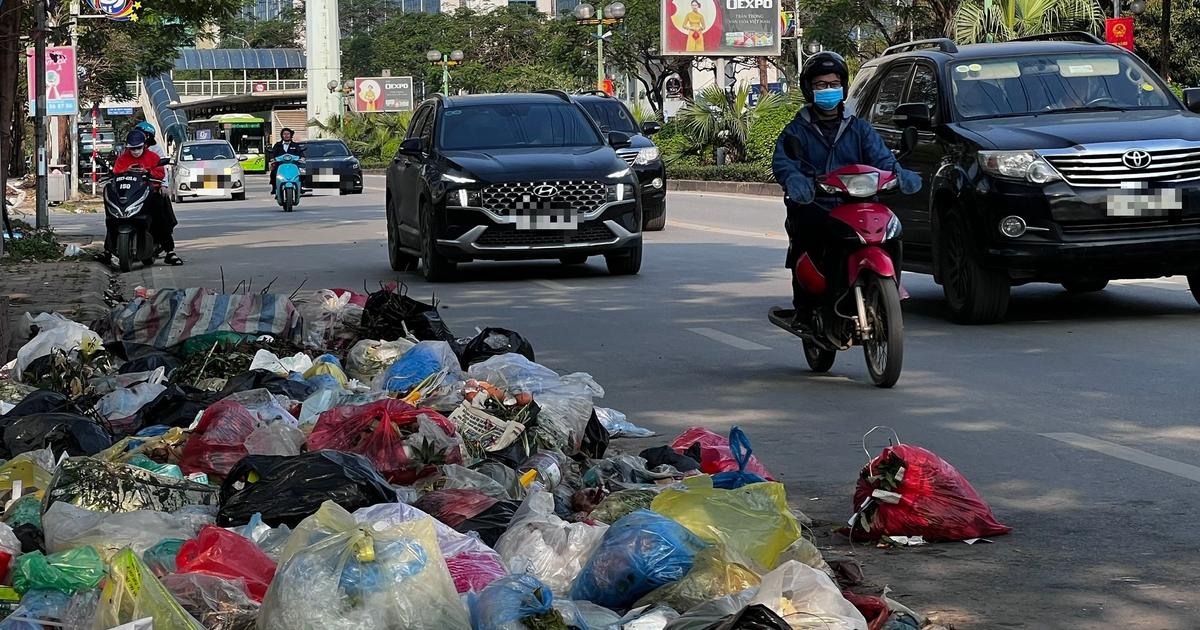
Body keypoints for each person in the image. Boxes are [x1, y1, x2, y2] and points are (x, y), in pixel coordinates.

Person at [772, 51, 921, 329]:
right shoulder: (796, 130)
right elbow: (784, 163)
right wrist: (795, 180)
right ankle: (804, 310)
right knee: (806, 236)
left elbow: (882, 159)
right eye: (820, 84)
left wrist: (899, 173)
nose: (828, 89)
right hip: (816, 205)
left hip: (860, 204)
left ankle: (889, 286)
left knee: (894, 230)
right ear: (809, 89)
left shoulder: (860, 129)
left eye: (833, 83)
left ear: (843, 86)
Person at [110, 129, 183, 265]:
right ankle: (109, 250)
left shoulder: (153, 157)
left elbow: (160, 173)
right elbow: (116, 173)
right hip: (128, 195)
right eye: (133, 148)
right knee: (112, 217)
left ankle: (169, 251)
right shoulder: (123, 159)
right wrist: (127, 171)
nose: (136, 151)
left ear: (144, 145)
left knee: (160, 217)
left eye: (138, 148)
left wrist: (147, 172)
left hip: (149, 194)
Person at [269, 128, 305, 195]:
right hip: (280, 165)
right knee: (273, 173)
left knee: (302, 172)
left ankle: (300, 187)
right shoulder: (277, 145)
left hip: (293, 164)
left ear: (291, 135)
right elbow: (273, 153)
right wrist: (272, 158)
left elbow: (300, 153)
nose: (286, 135)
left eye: (288, 134)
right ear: (282, 135)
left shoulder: (295, 145)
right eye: (284, 134)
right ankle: (274, 188)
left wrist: (302, 158)